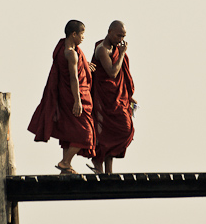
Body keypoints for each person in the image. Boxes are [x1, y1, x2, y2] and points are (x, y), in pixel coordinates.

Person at [28, 20, 96, 174]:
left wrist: (85, 63)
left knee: (69, 131)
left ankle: (66, 168)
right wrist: (78, 100)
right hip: (73, 96)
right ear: (74, 34)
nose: (83, 37)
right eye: (82, 34)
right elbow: (73, 78)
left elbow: (71, 66)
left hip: (64, 96)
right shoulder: (71, 53)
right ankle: (65, 161)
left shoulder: (62, 48)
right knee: (87, 133)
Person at [89, 20, 135, 174]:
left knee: (121, 130)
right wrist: (122, 53)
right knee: (107, 132)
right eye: (118, 35)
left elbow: (122, 75)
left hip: (118, 96)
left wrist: (129, 96)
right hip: (104, 96)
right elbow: (113, 72)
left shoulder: (116, 49)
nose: (121, 39)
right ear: (109, 32)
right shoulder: (102, 50)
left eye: (124, 36)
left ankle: (108, 169)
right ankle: (98, 162)